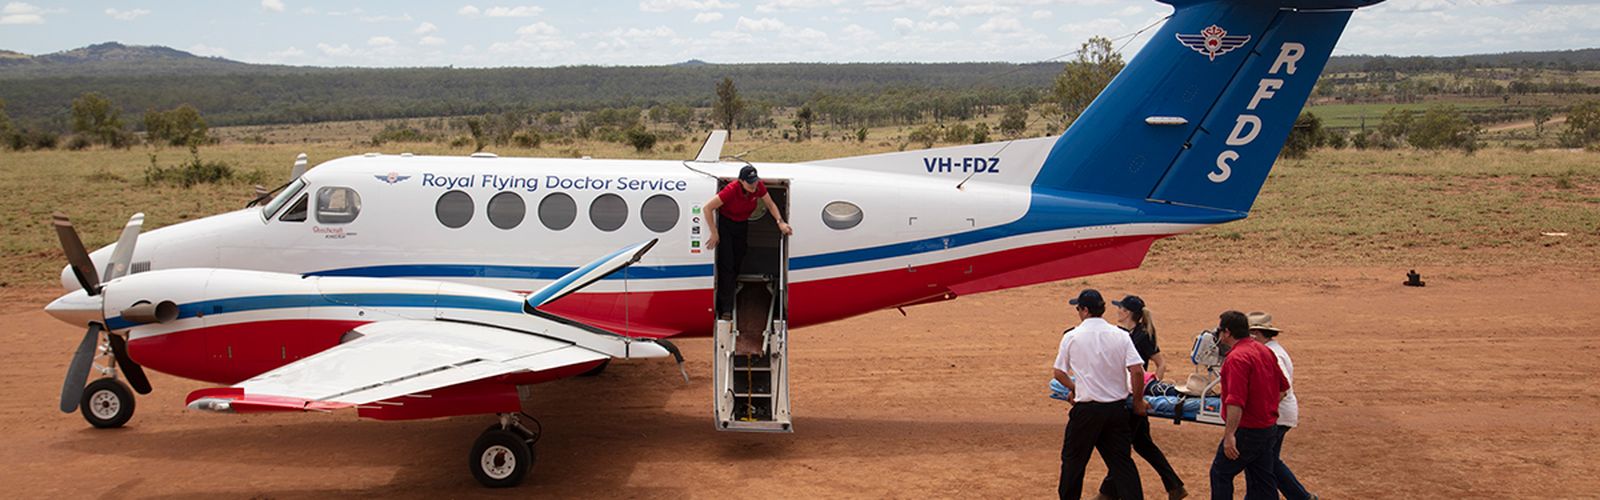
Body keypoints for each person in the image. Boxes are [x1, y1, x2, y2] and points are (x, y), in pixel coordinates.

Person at [1053, 289, 1146, 500]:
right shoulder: (1121, 335)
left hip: (1086, 411)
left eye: (1078, 308)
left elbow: (1059, 373)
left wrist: (1076, 388)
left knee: (1073, 462)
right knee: (1122, 464)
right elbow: (1137, 371)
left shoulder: (1072, 336)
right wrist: (1139, 401)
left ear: (1085, 310)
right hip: (1115, 410)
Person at [1094, 295, 1186, 500]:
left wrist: (1149, 386)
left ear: (1127, 312)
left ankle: (1106, 493)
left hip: (1133, 397)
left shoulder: (1142, 336)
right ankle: (1174, 486)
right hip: (1130, 393)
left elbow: (1160, 364)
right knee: (1143, 445)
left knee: (1121, 447)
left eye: (1120, 308)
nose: (1117, 311)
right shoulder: (1123, 333)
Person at [1208, 310, 1291, 500]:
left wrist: (1230, 435)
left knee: (1221, 473)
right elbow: (1282, 389)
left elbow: (1235, 402)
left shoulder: (1236, 358)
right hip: (1268, 427)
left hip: (1247, 429)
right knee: (1262, 477)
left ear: (1227, 332)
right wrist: (1264, 410)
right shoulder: (1265, 351)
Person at [703, 165, 791, 319]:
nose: (754, 186)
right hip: (726, 225)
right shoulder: (731, 190)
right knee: (727, 264)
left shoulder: (758, 187)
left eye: (755, 182)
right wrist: (714, 232)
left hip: (741, 224)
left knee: (740, 254)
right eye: (750, 183)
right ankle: (726, 308)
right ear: (741, 181)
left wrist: (780, 222)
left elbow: (770, 204)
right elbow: (707, 208)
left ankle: (731, 284)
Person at [1248, 312, 1316, 500]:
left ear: (1255, 333)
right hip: (1281, 414)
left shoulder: (1272, 354)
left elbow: (1282, 388)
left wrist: (1262, 410)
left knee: (1263, 462)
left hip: (1277, 415)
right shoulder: (1272, 349)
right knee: (1267, 461)